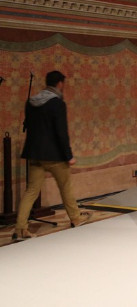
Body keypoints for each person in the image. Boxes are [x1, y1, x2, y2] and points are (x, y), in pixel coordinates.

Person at [13, 71, 91, 240]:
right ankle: (76, 219)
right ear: (60, 84)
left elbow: (31, 126)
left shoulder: (31, 103)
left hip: (35, 154)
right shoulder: (57, 104)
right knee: (65, 188)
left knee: (31, 191)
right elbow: (61, 132)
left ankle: (20, 229)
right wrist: (68, 155)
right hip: (54, 155)